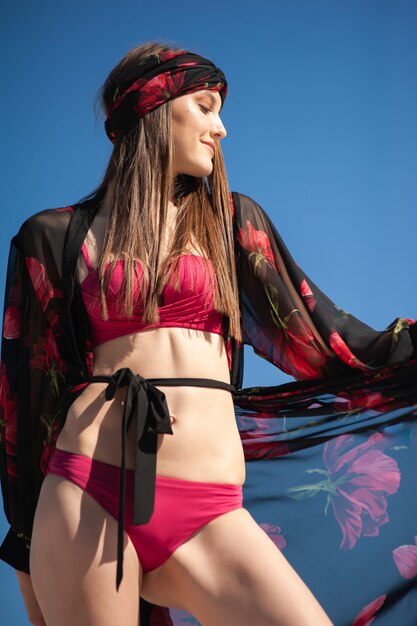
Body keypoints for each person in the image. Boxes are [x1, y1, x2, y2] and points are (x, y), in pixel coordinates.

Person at [0, 41, 416, 626]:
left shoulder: (231, 221)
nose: (220, 129)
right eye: (205, 106)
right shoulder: (53, 236)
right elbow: (26, 405)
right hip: (86, 491)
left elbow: (323, 335)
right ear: (152, 110)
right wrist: (25, 550)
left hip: (210, 508)